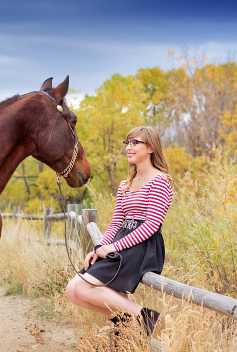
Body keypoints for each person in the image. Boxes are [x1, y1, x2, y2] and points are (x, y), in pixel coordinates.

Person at [65, 126, 172, 335]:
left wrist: (114, 246)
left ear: (150, 148)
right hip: (122, 241)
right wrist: (99, 248)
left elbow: (151, 225)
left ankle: (151, 318)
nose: (129, 148)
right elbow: (116, 223)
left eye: (135, 143)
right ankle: (128, 321)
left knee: (84, 286)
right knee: (73, 291)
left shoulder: (159, 181)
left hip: (143, 247)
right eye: (127, 143)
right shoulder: (126, 184)